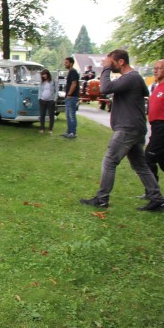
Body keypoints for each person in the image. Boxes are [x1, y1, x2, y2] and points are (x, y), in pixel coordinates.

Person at [80, 49, 164, 211]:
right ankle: (157, 199)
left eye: (110, 61)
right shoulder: (134, 79)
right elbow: (145, 92)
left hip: (128, 128)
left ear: (121, 62)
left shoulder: (131, 77)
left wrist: (104, 69)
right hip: (134, 127)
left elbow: (105, 88)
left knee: (110, 161)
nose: (107, 63)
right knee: (140, 165)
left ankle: (102, 199)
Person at [145, 60, 164, 183]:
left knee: (148, 157)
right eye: (154, 68)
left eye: (159, 68)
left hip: (162, 127)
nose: (155, 70)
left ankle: (153, 193)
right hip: (155, 127)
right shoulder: (157, 86)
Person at [61, 56, 79, 138]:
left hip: (72, 97)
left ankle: (73, 133)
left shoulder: (73, 72)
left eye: (67, 62)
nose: (65, 64)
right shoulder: (70, 72)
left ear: (71, 63)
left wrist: (69, 94)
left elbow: (74, 83)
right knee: (68, 115)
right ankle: (69, 131)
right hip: (69, 97)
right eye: (65, 62)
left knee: (71, 114)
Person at [38, 69, 56, 134]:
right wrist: (39, 98)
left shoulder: (53, 81)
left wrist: (55, 99)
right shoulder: (42, 82)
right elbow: (39, 90)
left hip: (51, 100)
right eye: (43, 75)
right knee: (42, 114)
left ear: (48, 74)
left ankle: (50, 129)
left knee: (51, 115)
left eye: (45, 74)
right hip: (42, 100)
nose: (44, 76)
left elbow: (56, 90)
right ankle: (42, 128)